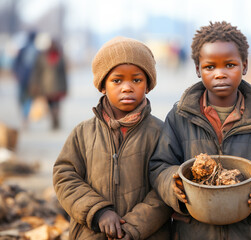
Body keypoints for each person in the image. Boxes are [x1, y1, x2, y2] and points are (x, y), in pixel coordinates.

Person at [149, 21, 251, 240]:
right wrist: (173, 186)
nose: (220, 73)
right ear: (198, 69)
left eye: (230, 65)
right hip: (194, 231)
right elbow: (159, 166)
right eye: (210, 67)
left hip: (249, 231)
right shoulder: (180, 117)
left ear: (244, 65)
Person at [53, 36, 171, 240]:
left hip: (146, 234)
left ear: (148, 85)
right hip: (92, 233)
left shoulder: (161, 133)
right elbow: (65, 177)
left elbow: (164, 191)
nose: (127, 87)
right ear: (102, 85)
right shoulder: (83, 133)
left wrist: (133, 227)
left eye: (137, 79)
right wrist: (99, 212)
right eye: (117, 80)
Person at [29, 38, 67, 129]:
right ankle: (55, 119)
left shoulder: (45, 56)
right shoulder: (57, 56)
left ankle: (55, 119)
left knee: (53, 104)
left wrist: (35, 84)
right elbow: (38, 72)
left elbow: (37, 72)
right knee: (54, 104)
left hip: (49, 86)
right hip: (53, 86)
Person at [12, 31, 39, 127]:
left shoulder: (23, 49)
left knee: (22, 99)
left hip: (22, 78)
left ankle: (25, 116)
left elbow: (15, 64)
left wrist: (16, 74)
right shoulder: (36, 51)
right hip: (30, 80)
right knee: (28, 99)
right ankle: (25, 115)